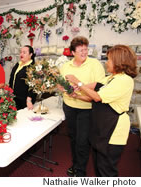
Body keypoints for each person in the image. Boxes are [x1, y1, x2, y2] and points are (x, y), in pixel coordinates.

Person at [66, 45, 137, 177]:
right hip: (103, 128)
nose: (106, 62)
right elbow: (95, 88)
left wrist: (78, 82)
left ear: (118, 61)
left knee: (107, 170)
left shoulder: (124, 80)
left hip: (113, 131)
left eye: (109, 59)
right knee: (99, 166)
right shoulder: (111, 77)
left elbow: (97, 97)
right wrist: (77, 93)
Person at [57, 36, 105, 177]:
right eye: (80, 51)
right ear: (72, 53)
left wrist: (77, 86)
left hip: (87, 108)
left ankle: (80, 171)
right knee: (73, 137)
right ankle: (76, 164)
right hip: (70, 106)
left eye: (86, 49)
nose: (84, 53)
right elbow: (60, 83)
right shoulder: (66, 66)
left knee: (82, 141)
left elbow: (99, 84)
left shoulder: (94, 64)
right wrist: (64, 88)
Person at [9, 45, 37, 110]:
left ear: (30, 54)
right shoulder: (18, 64)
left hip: (25, 100)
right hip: (14, 98)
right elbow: (12, 79)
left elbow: (34, 86)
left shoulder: (32, 67)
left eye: (24, 52)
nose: (21, 54)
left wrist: (29, 99)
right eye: (21, 52)